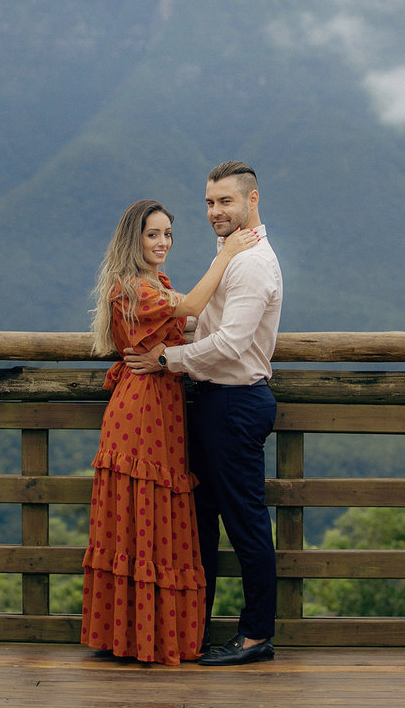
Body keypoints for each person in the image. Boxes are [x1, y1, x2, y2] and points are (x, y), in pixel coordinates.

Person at [81, 198, 259, 665]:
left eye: (168, 235)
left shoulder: (149, 283)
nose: (162, 243)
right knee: (146, 515)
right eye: (153, 234)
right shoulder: (138, 289)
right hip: (143, 409)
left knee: (148, 518)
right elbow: (194, 305)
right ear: (133, 239)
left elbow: (190, 317)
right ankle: (142, 636)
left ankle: (143, 633)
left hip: (157, 405)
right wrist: (227, 254)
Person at [124, 161, 283, 667]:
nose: (215, 212)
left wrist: (168, 360)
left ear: (252, 200)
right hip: (215, 402)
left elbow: (233, 344)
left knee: (245, 523)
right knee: (200, 523)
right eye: (210, 203)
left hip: (236, 402)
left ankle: (256, 635)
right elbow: (204, 320)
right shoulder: (231, 253)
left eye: (226, 202)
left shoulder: (253, 263)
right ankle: (191, 631)